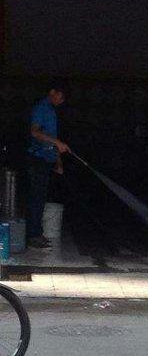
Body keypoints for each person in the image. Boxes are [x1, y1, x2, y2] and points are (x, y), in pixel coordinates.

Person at [26, 82, 71, 248]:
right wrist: (57, 142)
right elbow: (35, 132)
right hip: (37, 158)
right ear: (52, 92)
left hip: (47, 160)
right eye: (61, 96)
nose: (62, 101)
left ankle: (37, 233)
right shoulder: (41, 108)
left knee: (41, 198)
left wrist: (58, 162)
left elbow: (53, 139)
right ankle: (33, 236)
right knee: (36, 198)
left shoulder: (52, 111)